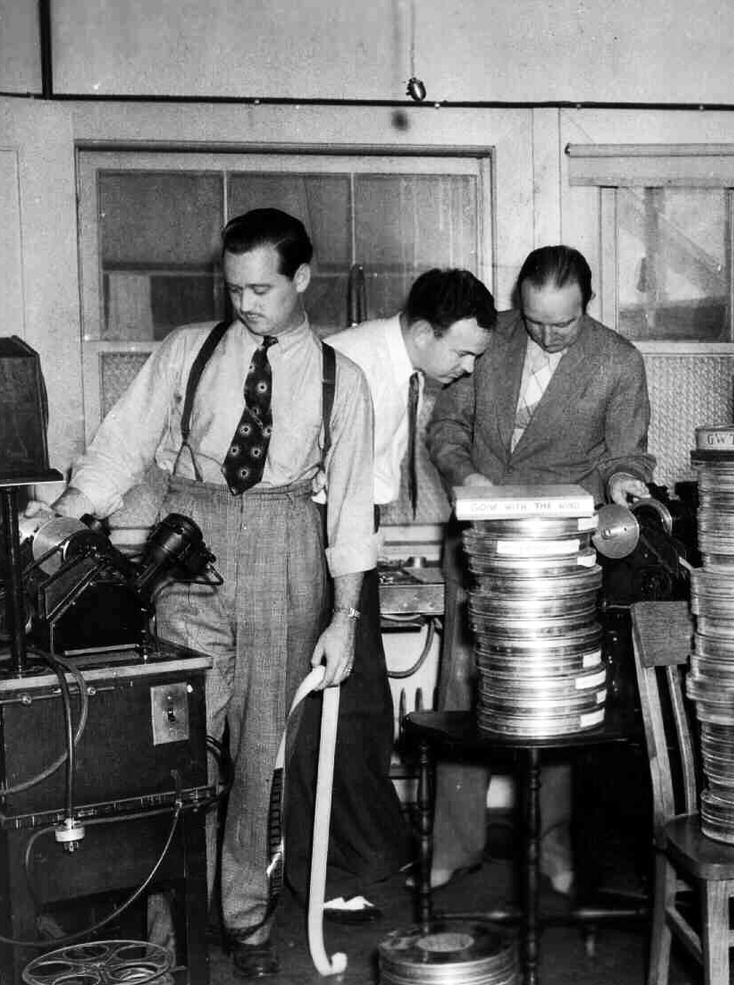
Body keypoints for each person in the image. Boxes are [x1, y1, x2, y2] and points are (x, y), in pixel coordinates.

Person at [46, 208, 376, 979]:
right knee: (176, 744)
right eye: (234, 288)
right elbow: (123, 442)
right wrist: (65, 516)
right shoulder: (187, 351)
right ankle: (168, 924)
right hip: (188, 543)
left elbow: (353, 509)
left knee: (261, 749)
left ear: (302, 277)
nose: (246, 303)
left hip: (287, 542)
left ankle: (247, 921)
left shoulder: (342, 379)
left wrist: (347, 617)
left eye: (262, 288)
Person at [426, 244, 655, 893]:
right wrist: (466, 476)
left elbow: (628, 456)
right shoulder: (488, 340)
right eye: (534, 320)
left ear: (587, 302)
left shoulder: (617, 361)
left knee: (557, 698)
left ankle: (553, 848)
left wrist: (625, 487)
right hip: (479, 542)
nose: (547, 335)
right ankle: (454, 843)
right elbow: (444, 426)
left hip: (561, 554)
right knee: (461, 689)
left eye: (563, 322)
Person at [284, 269, 497, 922]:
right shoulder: (353, 364)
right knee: (341, 712)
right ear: (425, 332)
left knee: (361, 711)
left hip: (351, 540)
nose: (466, 369)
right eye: (461, 352)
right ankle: (325, 875)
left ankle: (350, 859)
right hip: (320, 539)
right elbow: (316, 486)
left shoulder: (399, 365)